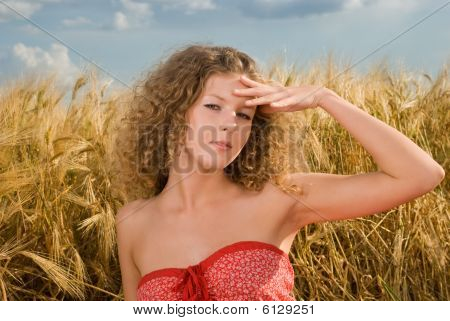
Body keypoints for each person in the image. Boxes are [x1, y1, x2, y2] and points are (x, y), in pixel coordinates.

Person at [112, 43, 445, 301]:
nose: (229, 124)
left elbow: (421, 174)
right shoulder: (133, 222)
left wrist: (324, 98)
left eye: (244, 115)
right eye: (213, 106)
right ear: (174, 113)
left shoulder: (283, 197)